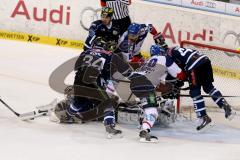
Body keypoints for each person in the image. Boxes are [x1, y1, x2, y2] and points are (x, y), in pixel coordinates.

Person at [155, 34, 236, 131]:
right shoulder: (171, 50)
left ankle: (203, 118)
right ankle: (227, 108)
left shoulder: (167, 57)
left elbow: (180, 74)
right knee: (208, 87)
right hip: (204, 60)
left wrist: (176, 85)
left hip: (194, 65)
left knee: (194, 91)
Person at [130, 44, 186, 142]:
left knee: (148, 104)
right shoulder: (165, 59)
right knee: (152, 111)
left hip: (134, 82)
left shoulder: (147, 61)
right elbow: (180, 74)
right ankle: (144, 132)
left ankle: (143, 122)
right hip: (146, 84)